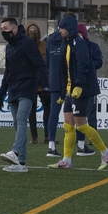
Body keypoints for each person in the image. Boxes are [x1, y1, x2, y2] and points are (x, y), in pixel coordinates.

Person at [49, 14, 108, 170]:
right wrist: (65, 92)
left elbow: (84, 67)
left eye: (62, 28)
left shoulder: (80, 44)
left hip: (81, 91)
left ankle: (105, 152)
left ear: (70, 28)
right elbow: (65, 70)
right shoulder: (66, 44)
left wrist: (78, 86)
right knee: (68, 125)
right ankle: (66, 160)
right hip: (70, 91)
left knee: (81, 125)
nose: (60, 31)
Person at [0, 17, 45, 173]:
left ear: (15, 29)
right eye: (2, 29)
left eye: (5, 28)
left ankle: (15, 152)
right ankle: (21, 163)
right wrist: (1, 93)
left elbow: (39, 64)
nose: (3, 32)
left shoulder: (27, 43)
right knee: (18, 125)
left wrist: (45, 85)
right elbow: (8, 72)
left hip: (27, 88)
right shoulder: (9, 47)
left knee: (21, 119)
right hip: (13, 88)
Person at [75, 22, 102, 157]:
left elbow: (99, 62)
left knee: (91, 112)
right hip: (76, 85)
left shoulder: (93, 47)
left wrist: (88, 64)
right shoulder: (72, 47)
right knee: (79, 114)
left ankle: (92, 137)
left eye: (80, 34)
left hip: (90, 84)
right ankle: (80, 139)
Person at [25, 21, 51, 146]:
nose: (33, 33)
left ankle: (48, 136)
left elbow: (49, 63)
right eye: (30, 31)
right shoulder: (24, 45)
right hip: (30, 82)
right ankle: (34, 136)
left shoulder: (45, 46)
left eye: (35, 31)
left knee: (48, 109)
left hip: (44, 81)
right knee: (31, 110)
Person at [44, 25, 66, 158]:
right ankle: (80, 145)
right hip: (68, 82)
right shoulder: (67, 40)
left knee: (54, 113)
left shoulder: (49, 41)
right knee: (76, 114)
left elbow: (47, 63)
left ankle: (51, 144)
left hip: (54, 82)